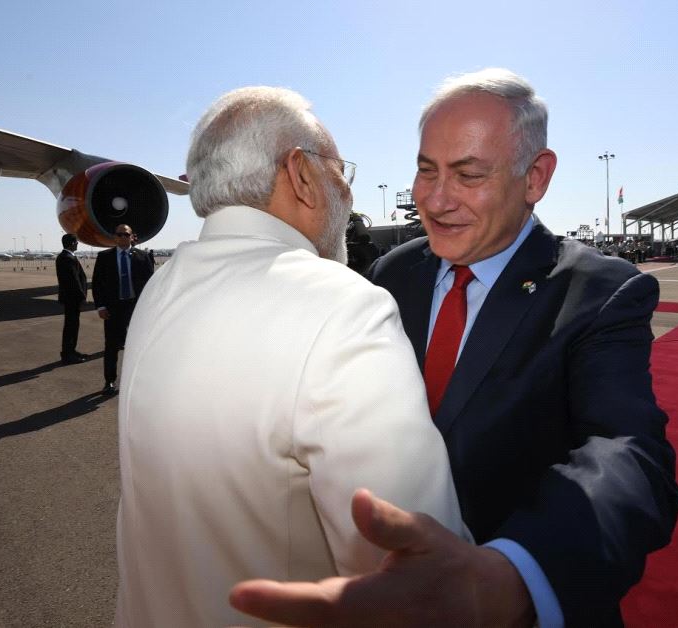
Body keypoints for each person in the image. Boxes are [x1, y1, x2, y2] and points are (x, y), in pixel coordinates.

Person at [231, 68, 678, 627]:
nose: (436, 200)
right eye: (426, 170)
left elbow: (628, 452)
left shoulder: (600, 291)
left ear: (535, 178)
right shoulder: (392, 273)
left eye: (468, 175)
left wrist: (510, 574)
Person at [113, 86, 468, 628]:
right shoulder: (344, 306)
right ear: (300, 174)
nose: (346, 190)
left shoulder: (162, 289)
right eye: (339, 168)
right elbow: (419, 581)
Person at [91, 223, 154, 395]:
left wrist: (149, 307)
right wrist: (101, 306)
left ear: (132, 236)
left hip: (136, 308)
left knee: (137, 345)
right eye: (119, 235)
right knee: (111, 346)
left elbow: (151, 284)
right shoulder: (104, 257)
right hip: (113, 308)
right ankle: (110, 381)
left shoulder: (143, 257)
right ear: (114, 237)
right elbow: (97, 284)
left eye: (126, 234)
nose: (123, 237)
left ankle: (138, 380)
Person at [55, 234, 88, 364]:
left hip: (71, 298)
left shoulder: (66, 257)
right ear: (72, 243)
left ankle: (71, 351)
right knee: (71, 326)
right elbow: (73, 281)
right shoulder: (67, 258)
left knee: (73, 325)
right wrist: (82, 297)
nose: (78, 244)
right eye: (76, 242)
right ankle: (68, 354)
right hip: (72, 298)